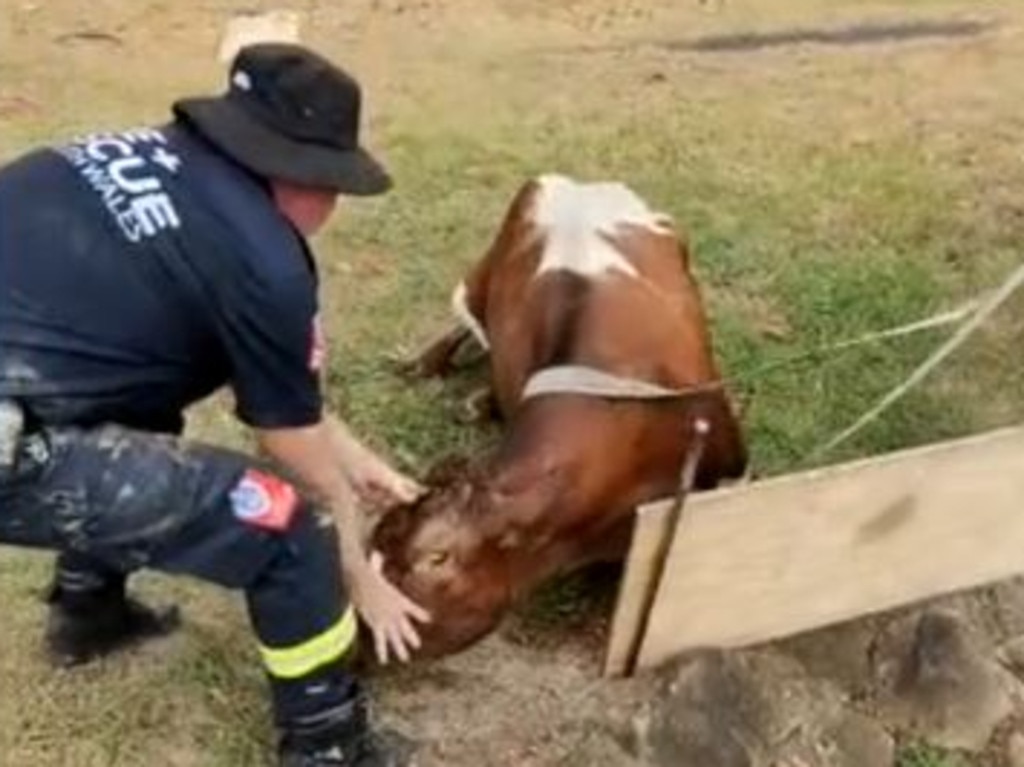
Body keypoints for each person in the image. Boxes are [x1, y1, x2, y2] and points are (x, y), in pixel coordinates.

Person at [0, 42, 430, 766]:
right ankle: (329, 746)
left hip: (27, 376)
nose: (331, 205)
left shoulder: (131, 154)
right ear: (293, 172)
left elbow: (282, 392)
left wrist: (361, 459)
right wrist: (359, 571)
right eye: (331, 183)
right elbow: (295, 452)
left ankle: (88, 610)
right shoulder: (264, 261)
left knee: (141, 403)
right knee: (291, 530)